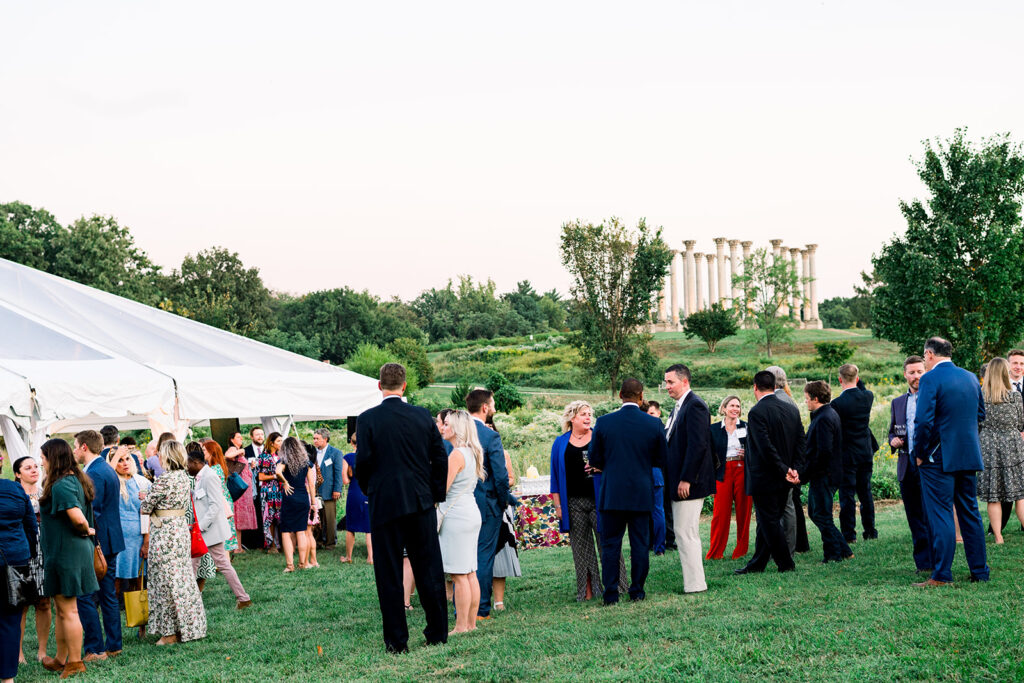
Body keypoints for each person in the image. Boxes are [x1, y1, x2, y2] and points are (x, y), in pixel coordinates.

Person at [356, 362, 449, 654]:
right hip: (421, 502)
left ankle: (397, 641)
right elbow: (440, 458)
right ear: (404, 385)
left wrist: (371, 490)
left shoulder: (367, 419)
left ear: (379, 386)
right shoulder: (422, 416)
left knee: (389, 573)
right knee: (429, 569)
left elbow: (363, 464)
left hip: (385, 505)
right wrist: (435, 494)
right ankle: (437, 632)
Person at [912, 337, 990, 586]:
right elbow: (981, 414)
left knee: (941, 514)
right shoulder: (970, 377)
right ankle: (980, 571)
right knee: (970, 513)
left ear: (929, 354)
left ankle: (942, 575)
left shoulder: (930, 378)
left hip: (938, 457)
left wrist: (921, 452)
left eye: (925, 356)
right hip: (968, 454)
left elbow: (923, 421)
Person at [589, 378, 668, 604]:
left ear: (620, 394)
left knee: (610, 545)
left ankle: (611, 594)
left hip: (612, 492)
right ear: (641, 396)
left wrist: (612, 464)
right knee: (640, 544)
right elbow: (661, 458)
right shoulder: (653, 424)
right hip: (641, 493)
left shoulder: (604, 422)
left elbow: (594, 458)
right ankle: (637, 591)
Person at [549, 401, 627, 601]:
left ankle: (618, 586)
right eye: (583, 414)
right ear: (572, 418)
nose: (588, 417)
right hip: (573, 504)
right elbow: (555, 478)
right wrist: (558, 505)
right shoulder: (560, 442)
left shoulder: (599, 438)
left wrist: (601, 468)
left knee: (607, 544)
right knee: (581, 548)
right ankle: (588, 590)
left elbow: (617, 463)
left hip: (600, 501)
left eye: (589, 414)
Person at [37, 438, 98, 678]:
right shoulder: (74, 479)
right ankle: (61, 658)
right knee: (62, 609)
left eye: (43, 458)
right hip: (68, 551)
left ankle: (75, 661)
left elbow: (77, 517)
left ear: (53, 458)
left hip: (67, 552)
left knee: (69, 610)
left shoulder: (62, 485)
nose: (41, 463)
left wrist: (85, 529)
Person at [735, 371, 805, 575]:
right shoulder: (791, 408)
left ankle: (786, 563)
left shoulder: (757, 412)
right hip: (786, 476)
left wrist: (785, 470)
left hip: (766, 477)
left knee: (769, 521)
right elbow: (801, 440)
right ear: (775, 386)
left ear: (755, 387)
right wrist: (795, 469)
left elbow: (765, 447)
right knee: (770, 521)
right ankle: (757, 563)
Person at [140, 440, 208, 644]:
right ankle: (190, 626)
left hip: (164, 532)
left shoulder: (165, 479)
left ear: (167, 456)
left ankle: (169, 632)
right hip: (179, 529)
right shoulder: (185, 477)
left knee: (164, 581)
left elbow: (145, 507)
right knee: (182, 578)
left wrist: (145, 498)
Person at [73, 429, 124, 662]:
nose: (74, 450)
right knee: (108, 595)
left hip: (99, 542)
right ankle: (114, 645)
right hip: (111, 538)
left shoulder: (95, 473)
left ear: (84, 447)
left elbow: (95, 510)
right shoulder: (105, 468)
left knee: (87, 596)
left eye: (75, 446)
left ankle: (95, 648)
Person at [663, 364, 714, 594]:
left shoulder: (695, 406)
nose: (667, 387)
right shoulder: (679, 407)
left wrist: (686, 479)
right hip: (679, 481)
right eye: (666, 382)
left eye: (671, 382)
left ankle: (695, 584)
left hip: (689, 484)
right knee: (684, 532)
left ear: (684, 381)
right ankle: (692, 582)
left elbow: (698, 446)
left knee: (686, 533)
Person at [465, 389, 513, 619]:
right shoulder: (489, 436)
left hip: (459, 504)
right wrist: (503, 500)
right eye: (492, 403)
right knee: (483, 556)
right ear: (485, 407)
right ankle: (481, 609)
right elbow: (501, 477)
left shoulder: (455, 434)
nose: (493, 407)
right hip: (486, 504)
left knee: (463, 557)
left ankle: (461, 608)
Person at [185, 449, 252, 608]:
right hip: (205, 530)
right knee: (195, 565)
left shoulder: (209, 476)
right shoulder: (201, 476)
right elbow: (203, 498)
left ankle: (243, 598)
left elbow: (215, 506)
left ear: (195, 462)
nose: (186, 468)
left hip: (210, 531)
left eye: (187, 464)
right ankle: (242, 598)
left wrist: (199, 527)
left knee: (219, 564)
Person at [437, 410, 485, 634]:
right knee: (470, 572)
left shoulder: (456, 455)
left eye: (446, 424)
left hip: (456, 516)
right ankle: (471, 623)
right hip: (470, 512)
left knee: (458, 574)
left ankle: (461, 626)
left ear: (456, 428)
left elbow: (441, 490)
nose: (443, 428)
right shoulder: (473, 452)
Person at [797, 381, 853, 563]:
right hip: (825, 473)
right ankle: (844, 549)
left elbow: (823, 452)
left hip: (825, 475)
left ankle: (833, 553)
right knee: (815, 512)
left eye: (807, 399)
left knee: (821, 514)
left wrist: (805, 475)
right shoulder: (824, 415)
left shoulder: (824, 418)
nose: (805, 402)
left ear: (815, 398)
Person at [887, 355, 934, 572]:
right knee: (914, 516)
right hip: (906, 464)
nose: (916, 376)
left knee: (931, 514)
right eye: (912, 372)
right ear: (905, 374)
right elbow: (891, 431)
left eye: (919, 372)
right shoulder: (897, 402)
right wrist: (893, 441)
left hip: (930, 464)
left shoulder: (934, 397)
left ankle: (938, 560)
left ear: (926, 372)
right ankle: (923, 563)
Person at [977, 357, 1024, 543]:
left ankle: (998, 536)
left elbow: (978, 425)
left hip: (989, 448)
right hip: (1013, 446)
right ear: (1006, 373)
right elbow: (1021, 424)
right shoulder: (1015, 397)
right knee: (1020, 493)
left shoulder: (980, 397)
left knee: (993, 496)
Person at [1, 453, 38, 683]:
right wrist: (28, 556)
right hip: (16, 560)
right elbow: (31, 527)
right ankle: (7, 678)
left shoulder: (14, 490)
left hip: (14, 559)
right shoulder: (15, 490)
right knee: (10, 619)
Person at [832, 364, 879, 543]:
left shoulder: (837, 403)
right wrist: (857, 378)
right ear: (858, 379)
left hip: (847, 454)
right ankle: (870, 531)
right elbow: (862, 387)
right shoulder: (868, 396)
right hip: (865, 451)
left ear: (839, 379)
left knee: (847, 495)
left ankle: (849, 535)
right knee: (865, 493)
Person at [765, 366, 809, 555]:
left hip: (784, 463)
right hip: (791, 462)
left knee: (788, 505)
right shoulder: (789, 399)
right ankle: (800, 543)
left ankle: (790, 545)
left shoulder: (779, 401)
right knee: (793, 504)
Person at [12, 456, 50, 666]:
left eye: (36, 466)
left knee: (44, 602)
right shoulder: (14, 495)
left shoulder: (46, 492)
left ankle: (42, 650)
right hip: (23, 551)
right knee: (22, 604)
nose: (34, 470)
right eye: (28, 468)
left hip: (44, 550)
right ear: (18, 474)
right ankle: (18, 653)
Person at [706, 396, 751, 560]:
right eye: (732, 405)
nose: (735, 409)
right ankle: (716, 552)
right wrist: (710, 481)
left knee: (744, 512)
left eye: (738, 406)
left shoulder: (747, 426)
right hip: (722, 471)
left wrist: (748, 454)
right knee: (720, 514)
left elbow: (756, 450)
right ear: (724, 408)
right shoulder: (713, 429)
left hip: (742, 470)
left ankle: (741, 550)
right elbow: (709, 456)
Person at [106, 448, 151, 609]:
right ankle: (114, 612)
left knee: (139, 578)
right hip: (118, 537)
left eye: (127, 459)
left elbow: (147, 513)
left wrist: (146, 540)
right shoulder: (111, 482)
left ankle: (139, 617)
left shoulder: (142, 482)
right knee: (116, 577)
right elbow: (102, 476)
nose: (124, 463)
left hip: (138, 537)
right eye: (119, 460)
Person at [485, 418, 520, 610]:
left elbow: (512, 478)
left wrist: (504, 482)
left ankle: (499, 601)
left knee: (502, 552)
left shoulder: (503, 453)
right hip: (483, 504)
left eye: (491, 427)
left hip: (501, 504)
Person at [992, 349, 1024, 532]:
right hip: (1009, 443)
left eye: (1022, 363)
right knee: (1007, 485)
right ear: (1008, 365)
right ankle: (997, 527)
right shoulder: (1001, 388)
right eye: (1015, 363)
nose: (1018, 367)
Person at [276, 437, 316, 572]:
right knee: (301, 531)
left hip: (289, 497)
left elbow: (277, 472)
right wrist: (314, 503)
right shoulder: (307, 462)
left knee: (286, 532)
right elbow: (311, 484)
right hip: (303, 498)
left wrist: (285, 482)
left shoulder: (284, 460)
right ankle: (303, 563)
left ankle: (290, 565)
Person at [184, 442, 217, 590]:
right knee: (200, 554)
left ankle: (193, 591)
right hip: (200, 518)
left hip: (194, 519)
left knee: (194, 554)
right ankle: (198, 590)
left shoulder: (194, 475)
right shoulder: (202, 473)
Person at [200, 441, 239, 554]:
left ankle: (224, 562)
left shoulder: (214, 469)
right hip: (224, 500)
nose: (202, 453)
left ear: (211, 452)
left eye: (204, 451)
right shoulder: (218, 466)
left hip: (220, 502)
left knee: (220, 532)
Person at [224, 431, 258, 553]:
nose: (241, 439)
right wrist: (240, 451)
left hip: (245, 486)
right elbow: (227, 456)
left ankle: (238, 545)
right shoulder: (233, 449)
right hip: (240, 487)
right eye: (238, 437)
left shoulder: (237, 450)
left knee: (240, 516)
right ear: (232, 440)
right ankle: (237, 547)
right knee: (237, 516)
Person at [341, 433, 372, 564]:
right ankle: (371, 557)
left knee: (351, 527)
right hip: (368, 492)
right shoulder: (372, 457)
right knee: (369, 528)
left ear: (352, 443)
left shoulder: (348, 457)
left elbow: (345, 480)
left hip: (354, 492)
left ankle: (348, 557)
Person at [312, 428, 345, 551]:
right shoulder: (312, 452)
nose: (315, 441)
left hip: (330, 491)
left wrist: (337, 489)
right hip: (315, 491)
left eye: (317, 439)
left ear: (325, 439)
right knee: (317, 518)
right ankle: (318, 541)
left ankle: (330, 543)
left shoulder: (335, 453)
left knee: (330, 519)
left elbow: (338, 473)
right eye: (314, 438)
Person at [644, 402, 667, 555]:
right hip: (654, 472)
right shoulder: (659, 429)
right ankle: (655, 547)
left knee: (656, 512)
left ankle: (658, 546)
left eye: (652, 413)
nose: (649, 416)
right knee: (654, 512)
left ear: (658, 413)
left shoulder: (658, 428)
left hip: (650, 472)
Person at [257, 432, 284, 552]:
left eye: (281, 441)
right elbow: (261, 477)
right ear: (271, 443)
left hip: (279, 490)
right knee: (270, 518)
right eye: (278, 441)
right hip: (268, 491)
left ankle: (283, 544)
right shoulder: (265, 457)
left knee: (280, 517)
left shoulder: (280, 456)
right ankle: (271, 545)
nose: (281, 443)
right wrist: (275, 476)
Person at [243, 427, 265, 550]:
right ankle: (256, 542)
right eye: (257, 434)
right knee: (256, 513)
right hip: (253, 488)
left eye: (262, 434)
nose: (260, 436)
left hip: (267, 486)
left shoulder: (268, 450)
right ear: (251, 436)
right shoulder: (245, 451)